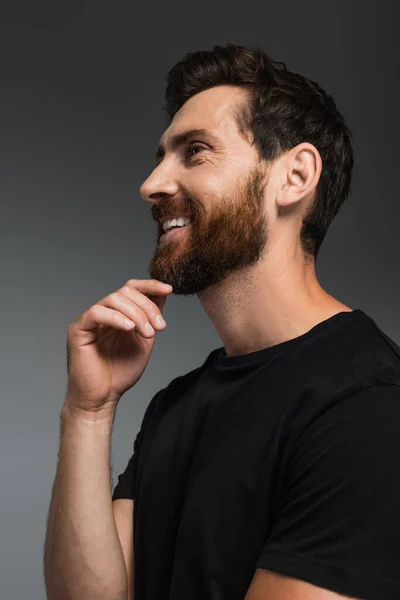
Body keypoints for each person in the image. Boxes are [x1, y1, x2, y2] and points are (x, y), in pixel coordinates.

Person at [44, 43, 400, 600]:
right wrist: (87, 412)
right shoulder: (176, 405)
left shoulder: (367, 405)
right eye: (161, 155)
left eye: (195, 151)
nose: (151, 184)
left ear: (295, 176)